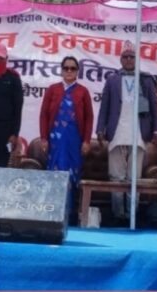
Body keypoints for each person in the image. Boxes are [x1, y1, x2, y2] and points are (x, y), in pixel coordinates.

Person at [97, 42, 157, 224]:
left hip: (139, 133)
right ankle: (118, 216)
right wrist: (100, 129)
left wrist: (156, 130)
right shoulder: (112, 80)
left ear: (136, 59)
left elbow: (154, 107)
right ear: (120, 59)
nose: (129, 60)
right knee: (116, 177)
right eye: (125, 57)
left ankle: (133, 215)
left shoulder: (145, 80)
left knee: (134, 178)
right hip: (117, 133)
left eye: (132, 57)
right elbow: (104, 107)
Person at [40, 56, 94, 220]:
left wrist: (86, 141)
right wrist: (44, 138)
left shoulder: (83, 91)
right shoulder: (52, 89)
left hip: (74, 141)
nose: (69, 71)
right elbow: (44, 115)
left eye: (73, 68)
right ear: (62, 70)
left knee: (72, 174)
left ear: (77, 71)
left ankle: (69, 215)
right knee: (55, 173)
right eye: (66, 68)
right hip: (55, 140)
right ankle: (52, 213)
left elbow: (89, 118)